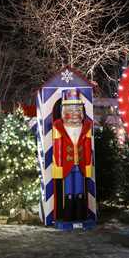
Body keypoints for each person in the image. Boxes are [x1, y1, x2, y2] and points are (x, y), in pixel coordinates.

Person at [52, 88, 93, 222]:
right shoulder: (58, 126)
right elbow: (57, 147)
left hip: (80, 164)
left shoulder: (86, 126)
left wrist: (88, 165)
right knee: (68, 191)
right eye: (70, 109)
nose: (74, 112)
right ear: (63, 110)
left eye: (77, 108)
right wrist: (57, 166)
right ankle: (68, 215)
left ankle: (80, 214)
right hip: (66, 165)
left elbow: (87, 146)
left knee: (80, 191)